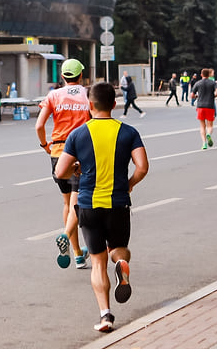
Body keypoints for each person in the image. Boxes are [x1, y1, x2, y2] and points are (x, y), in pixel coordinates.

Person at [54, 81, 149, 334]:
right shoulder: (129, 132)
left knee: (97, 262)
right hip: (118, 203)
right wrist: (129, 184)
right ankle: (122, 265)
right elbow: (142, 167)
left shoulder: (78, 134)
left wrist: (77, 168)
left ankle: (105, 315)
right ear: (114, 104)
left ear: (90, 105)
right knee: (119, 250)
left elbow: (60, 171)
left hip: (88, 205)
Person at [35, 58, 91, 269]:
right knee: (78, 204)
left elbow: (39, 125)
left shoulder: (53, 96)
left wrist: (45, 146)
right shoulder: (88, 95)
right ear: (81, 75)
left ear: (63, 76)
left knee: (67, 203)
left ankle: (77, 254)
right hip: (80, 154)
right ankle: (66, 236)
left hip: (58, 152)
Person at [191, 68, 217, 149]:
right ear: (209, 75)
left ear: (201, 75)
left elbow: (192, 95)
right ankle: (209, 134)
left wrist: (197, 96)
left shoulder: (198, 83)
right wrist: (213, 96)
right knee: (209, 125)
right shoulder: (212, 83)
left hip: (200, 106)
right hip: (210, 106)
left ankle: (204, 143)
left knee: (202, 126)